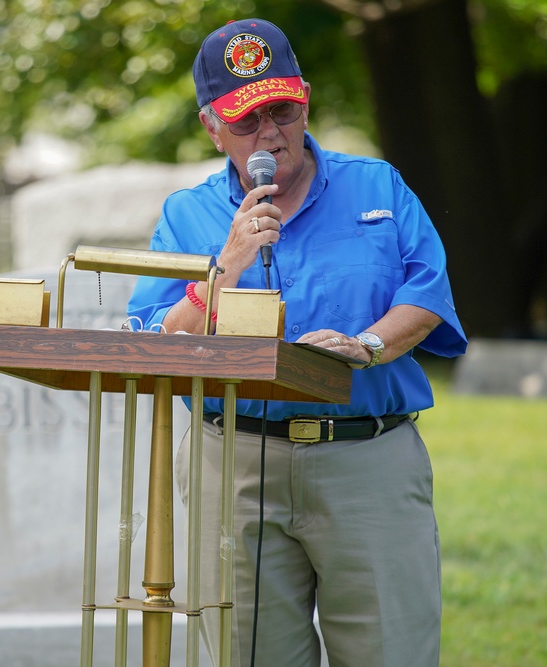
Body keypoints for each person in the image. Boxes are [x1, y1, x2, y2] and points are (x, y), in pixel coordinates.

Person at [127, 18, 468, 667]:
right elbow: (158, 338)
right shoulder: (186, 214)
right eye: (246, 121)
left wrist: (365, 343)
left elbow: (427, 296)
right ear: (211, 127)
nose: (269, 135)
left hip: (367, 456)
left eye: (281, 110)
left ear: (305, 97)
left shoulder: (377, 186)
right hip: (234, 462)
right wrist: (224, 266)